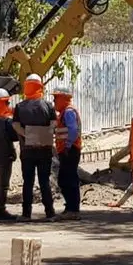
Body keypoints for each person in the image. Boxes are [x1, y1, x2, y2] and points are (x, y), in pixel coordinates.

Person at [13, 74, 57, 222]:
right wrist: (43, 135)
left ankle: (26, 214)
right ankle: (50, 213)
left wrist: (28, 135)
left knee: (28, 182)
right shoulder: (48, 106)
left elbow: (16, 125)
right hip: (44, 150)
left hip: (27, 151)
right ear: (40, 87)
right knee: (44, 181)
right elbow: (53, 124)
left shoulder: (19, 107)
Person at [0, 88, 19, 221]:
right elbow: (15, 136)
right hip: (6, 154)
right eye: (7, 103)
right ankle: (1, 210)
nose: (8, 105)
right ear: (4, 103)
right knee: (4, 184)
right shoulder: (7, 122)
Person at [52, 85, 83, 221]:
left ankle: (73, 209)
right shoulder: (65, 112)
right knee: (66, 179)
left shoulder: (69, 112)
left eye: (55, 98)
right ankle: (70, 208)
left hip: (70, 150)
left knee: (68, 179)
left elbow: (73, 130)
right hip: (67, 150)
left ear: (63, 98)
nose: (54, 102)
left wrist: (68, 146)